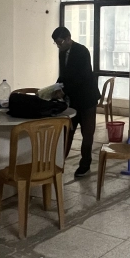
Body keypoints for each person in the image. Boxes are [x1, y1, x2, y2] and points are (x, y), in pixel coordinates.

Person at [51, 26, 101, 178]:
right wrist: (55, 87)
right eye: (56, 43)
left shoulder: (81, 51)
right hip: (72, 100)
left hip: (87, 99)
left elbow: (82, 77)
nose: (58, 46)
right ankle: (58, 164)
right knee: (68, 132)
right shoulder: (62, 52)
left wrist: (64, 91)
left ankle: (85, 165)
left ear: (68, 38)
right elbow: (64, 75)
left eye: (60, 42)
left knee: (87, 134)